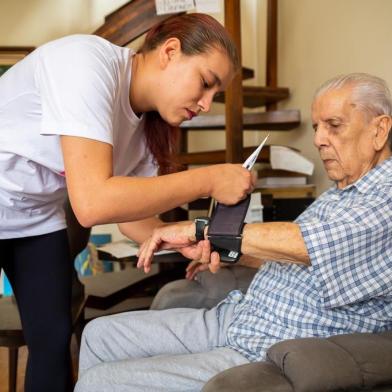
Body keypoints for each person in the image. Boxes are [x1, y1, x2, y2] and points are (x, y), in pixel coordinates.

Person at [75, 73, 392, 392]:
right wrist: (228, 253)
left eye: (333, 125)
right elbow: (301, 260)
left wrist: (203, 230)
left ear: (379, 130)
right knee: (99, 334)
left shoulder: (385, 197)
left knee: (99, 383)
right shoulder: (342, 193)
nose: (318, 139)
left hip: (267, 349)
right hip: (241, 317)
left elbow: (313, 246)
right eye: (316, 127)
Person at [0, 14, 254, 392]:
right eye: (205, 84)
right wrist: (210, 179)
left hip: (34, 218)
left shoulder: (148, 127)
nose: (206, 104)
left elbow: (132, 218)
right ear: (170, 51)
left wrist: (178, 239)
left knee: (52, 342)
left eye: (214, 95)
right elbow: (92, 203)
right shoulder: (86, 64)